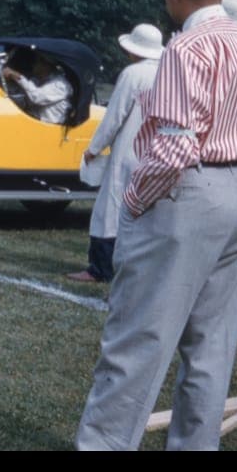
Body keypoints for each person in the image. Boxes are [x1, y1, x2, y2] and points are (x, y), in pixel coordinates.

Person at [76, 0, 237, 451]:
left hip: (187, 191)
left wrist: (133, 205)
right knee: (211, 350)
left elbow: (173, 148)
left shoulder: (187, 48)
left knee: (135, 345)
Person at [68, 23, 163, 284]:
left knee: (109, 209)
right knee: (144, 211)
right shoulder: (168, 73)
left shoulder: (133, 74)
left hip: (129, 149)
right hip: (156, 151)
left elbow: (115, 116)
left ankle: (100, 266)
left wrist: (94, 148)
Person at [1, 52, 73, 124]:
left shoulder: (61, 84)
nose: (33, 64)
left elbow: (37, 97)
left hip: (51, 127)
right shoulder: (36, 79)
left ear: (46, 65)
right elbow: (22, 96)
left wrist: (18, 77)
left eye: (36, 61)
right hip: (35, 121)